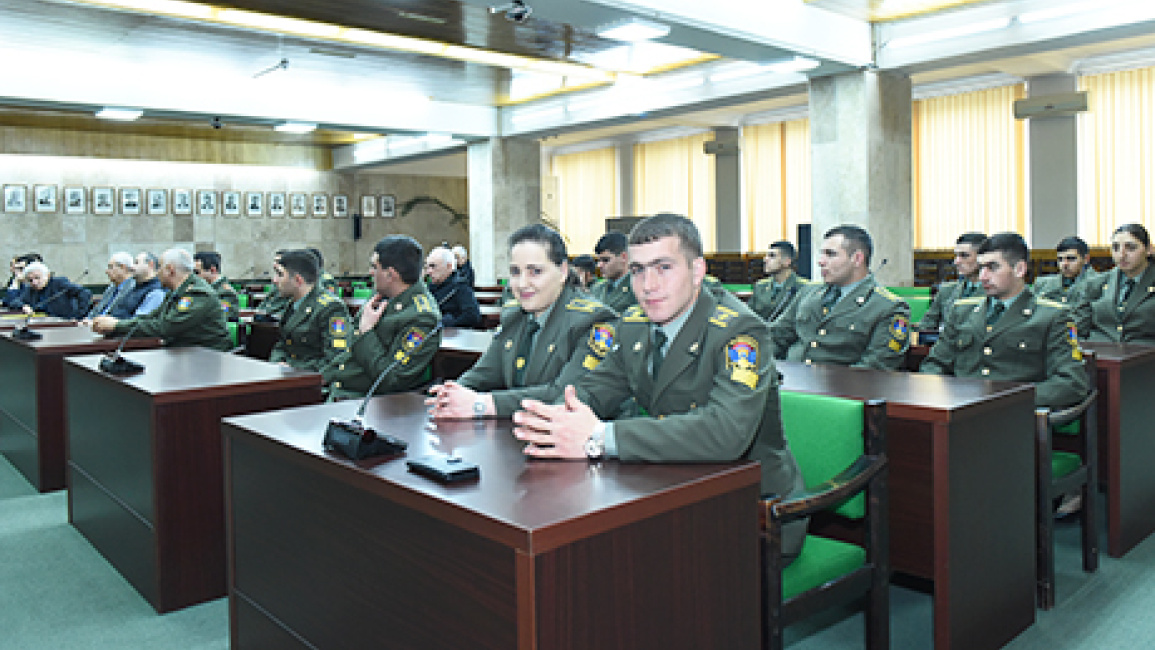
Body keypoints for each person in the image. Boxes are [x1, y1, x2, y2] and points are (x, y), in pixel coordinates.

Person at [510, 213, 807, 561]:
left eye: (663, 267)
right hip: (672, 487)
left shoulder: (739, 330)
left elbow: (726, 433)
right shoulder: (635, 324)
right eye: (637, 270)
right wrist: (558, 420)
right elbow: (596, 388)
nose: (648, 285)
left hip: (753, 509)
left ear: (697, 272)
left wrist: (599, 438)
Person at [427, 224, 617, 419]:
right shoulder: (515, 316)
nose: (522, 283)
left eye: (535, 271)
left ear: (562, 272)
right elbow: (484, 373)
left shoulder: (594, 322)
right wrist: (451, 393)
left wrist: (483, 404)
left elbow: (566, 397)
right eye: (515, 272)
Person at [921, 233, 1090, 409]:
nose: (983, 277)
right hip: (959, 411)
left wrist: (1010, 400)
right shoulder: (962, 310)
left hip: (1015, 417)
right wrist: (948, 396)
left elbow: (1072, 384)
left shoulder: (1052, 316)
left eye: (992, 267)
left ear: (1019, 269)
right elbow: (934, 364)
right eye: (981, 268)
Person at [769, 225, 910, 370]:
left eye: (830, 254)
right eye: (822, 254)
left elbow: (876, 367)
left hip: (843, 388)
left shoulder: (887, 307)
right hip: (789, 381)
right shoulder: (809, 293)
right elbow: (774, 337)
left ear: (857, 259)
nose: (821, 261)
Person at [324, 236, 442, 398]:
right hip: (337, 388)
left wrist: (367, 332)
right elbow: (349, 349)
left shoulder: (422, 316)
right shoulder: (382, 296)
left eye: (374, 267)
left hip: (368, 402)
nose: (370, 272)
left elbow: (391, 378)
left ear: (390, 274)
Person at [91, 248, 232, 350]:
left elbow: (165, 327)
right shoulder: (176, 292)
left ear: (170, 270)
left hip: (208, 357)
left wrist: (117, 326)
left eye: (160, 269)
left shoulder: (197, 293)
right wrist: (117, 323)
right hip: (186, 353)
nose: (157, 273)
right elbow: (151, 317)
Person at [268, 249, 352, 371]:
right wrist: (278, 363)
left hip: (313, 381)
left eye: (280, 274)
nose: (274, 280)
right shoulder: (293, 304)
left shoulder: (331, 308)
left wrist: (293, 369)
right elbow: (281, 344)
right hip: (290, 377)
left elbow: (336, 358)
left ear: (298, 280)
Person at [1074, 223, 1155, 345]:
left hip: (1145, 357)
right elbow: (1074, 326)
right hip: (1100, 354)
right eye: (1115, 248)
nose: (1122, 255)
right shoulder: (1097, 283)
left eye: (1131, 248)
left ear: (1149, 249)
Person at [919, 232, 987, 330]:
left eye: (964, 256)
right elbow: (926, 326)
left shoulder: (996, 291)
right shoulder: (947, 290)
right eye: (956, 256)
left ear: (983, 258)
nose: (957, 262)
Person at [1034, 236, 1102, 305]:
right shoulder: (1043, 284)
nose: (1064, 264)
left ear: (1086, 259)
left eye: (1071, 258)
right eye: (1060, 259)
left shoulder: (1099, 284)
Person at [11, 262, 92, 319]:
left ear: (47, 275)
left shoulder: (59, 283)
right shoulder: (30, 289)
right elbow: (14, 302)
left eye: (37, 278)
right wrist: (23, 306)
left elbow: (85, 293)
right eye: (30, 280)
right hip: (42, 323)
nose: (34, 282)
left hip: (64, 323)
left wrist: (79, 316)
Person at [425, 246, 481, 328]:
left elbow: (473, 316)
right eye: (427, 267)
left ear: (449, 266)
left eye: (433, 266)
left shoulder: (461, 288)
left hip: (452, 336)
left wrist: (450, 322)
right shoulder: (429, 288)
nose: (429, 271)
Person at [749, 240, 806, 322]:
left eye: (772, 256)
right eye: (766, 256)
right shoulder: (760, 286)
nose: (765, 259)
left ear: (787, 261)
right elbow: (750, 317)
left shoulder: (803, 287)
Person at [590, 232, 637, 314]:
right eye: (598, 260)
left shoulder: (637, 288)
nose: (599, 265)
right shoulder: (596, 289)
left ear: (623, 257)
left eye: (606, 260)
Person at [86, 252, 137, 318]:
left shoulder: (133, 288)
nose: (106, 271)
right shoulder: (111, 288)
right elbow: (97, 310)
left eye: (110, 267)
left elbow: (119, 315)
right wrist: (86, 320)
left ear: (123, 267)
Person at [193, 251, 239, 320]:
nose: (194, 276)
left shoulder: (226, 292)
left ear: (212, 270)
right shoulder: (200, 288)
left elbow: (219, 316)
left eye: (197, 272)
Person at [122, 251, 168, 317]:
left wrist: (114, 324)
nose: (132, 267)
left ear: (150, 264)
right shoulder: (134, 286)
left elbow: (139, 322)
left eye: (136, 263)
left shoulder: (157, 292)